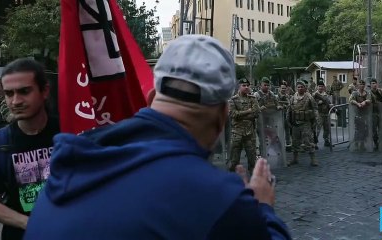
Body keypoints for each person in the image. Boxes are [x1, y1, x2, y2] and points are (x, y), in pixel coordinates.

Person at [24, 35, 292, 240]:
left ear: (151, 98)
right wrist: (263, 208)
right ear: (223, 115)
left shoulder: (67, 170)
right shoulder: (219, 199)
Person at [0, 58, 60, 240]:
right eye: (9, 93)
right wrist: (29, 223)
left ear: (44, 90)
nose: (15, 101)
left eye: (24, 91)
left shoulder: (70, 132)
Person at [229, 78, 261, 173]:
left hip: (250, 132)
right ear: (239, 87)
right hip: (237, 132)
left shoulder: (252, 99)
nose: (246, 87)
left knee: (252, 159)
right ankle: (232, 179)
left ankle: (254, 181)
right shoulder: (233, 100)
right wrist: (248, 111)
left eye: (247, 85)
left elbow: (256, 113)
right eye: (244, 85)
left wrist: (241, 114)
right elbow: (233, 114)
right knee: (234, 160)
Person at [286, 80, 319, 166]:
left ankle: (313, 159)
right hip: (295, 123)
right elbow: (289, 109)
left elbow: (315, 108)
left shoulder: (309, 97)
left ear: (305, 88)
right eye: (298, 87)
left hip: (305, 123)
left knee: (308, 141)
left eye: (302, 87)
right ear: (296, 88)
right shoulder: (293, 98)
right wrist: (288, 120)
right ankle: (295, 158)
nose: (300, 88)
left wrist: (315, 121)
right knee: (295, 142)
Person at [349, 80, 372, 150]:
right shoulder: (355, 93)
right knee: (358, 129)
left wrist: (365, 101)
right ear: (358, 85)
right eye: (360, 84)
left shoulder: (367, 93)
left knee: (365, 129)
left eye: (363, 84)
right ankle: (356, 143)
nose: (361, 85)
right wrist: (357, 103)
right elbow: (351, 100)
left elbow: (370, 100)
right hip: (357, 113)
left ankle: (362, 143)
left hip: (365, 113)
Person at [312, 80, 333, 147]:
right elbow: (312, 103)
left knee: (327, 128)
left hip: (326, 113)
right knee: (317, 129)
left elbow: (329, 102)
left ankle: (326, 141)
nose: (320, 87)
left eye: (321, 86)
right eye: (319, 86)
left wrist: (331, 106)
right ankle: (314, 143)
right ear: (317, 87)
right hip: (318, 113)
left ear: (324, 87)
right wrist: (319, 103)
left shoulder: (326, 94)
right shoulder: (314, 94)